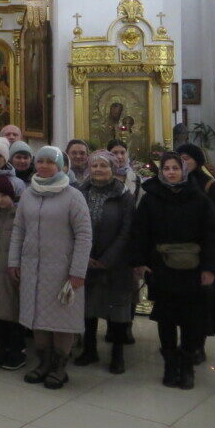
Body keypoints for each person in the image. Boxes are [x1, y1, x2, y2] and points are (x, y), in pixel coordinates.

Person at [132, 152, 215, 389]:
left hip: (192, 269)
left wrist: (210, 268)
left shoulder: (198, 198)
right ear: (161, 171)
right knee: (165, 318)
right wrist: (139, 262)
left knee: (190, 320)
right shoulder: (151, 198)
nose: (171, 172)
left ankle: (186, 366)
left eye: (175, 168)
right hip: (161, 268)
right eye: (166, 168)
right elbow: (139, 233)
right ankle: (169, 364)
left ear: (183, 171)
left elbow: (212, 236)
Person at [8, 146, 93, 390]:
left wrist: (78, 271)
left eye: (50, 162)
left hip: (62, 271)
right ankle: (43, 363)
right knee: (38, 318)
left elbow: (84, 235)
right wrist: (14, 261)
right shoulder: (28, 194)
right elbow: (18, 230)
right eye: (41, 161)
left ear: (59, 166)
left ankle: (59, 368)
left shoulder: (72, 196)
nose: (44, 166)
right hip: (33, 268)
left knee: (62, 320)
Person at [74, 150, 135, 374]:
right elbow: (74, 226)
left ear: (113, 169)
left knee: (117, 310)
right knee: (88, 309)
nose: (98, 170)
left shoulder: (123, 195)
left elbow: (127, 229)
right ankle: (89, 349)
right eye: (95, 166)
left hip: (116, 262)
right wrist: (84, 255)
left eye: (104, 166)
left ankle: (117, 355)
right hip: (86, 260)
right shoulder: (80, 192)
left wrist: (108, 258)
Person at [174, 142, 215, 352]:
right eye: (179, 159)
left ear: (197, 161)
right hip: (181, 253)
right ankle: (186, 341)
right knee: (184, 301)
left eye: (186, 159)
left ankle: (197, 345)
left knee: (203, 302)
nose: (182, 164)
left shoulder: (209, 185)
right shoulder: (177, 182)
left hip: (205, 252)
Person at [0, 175, 26, 371]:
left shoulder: (19, 215)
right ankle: (0, 349)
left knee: (13, 315)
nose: (1, 199)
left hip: (12, 272)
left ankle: (16, 350)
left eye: (4, 195)